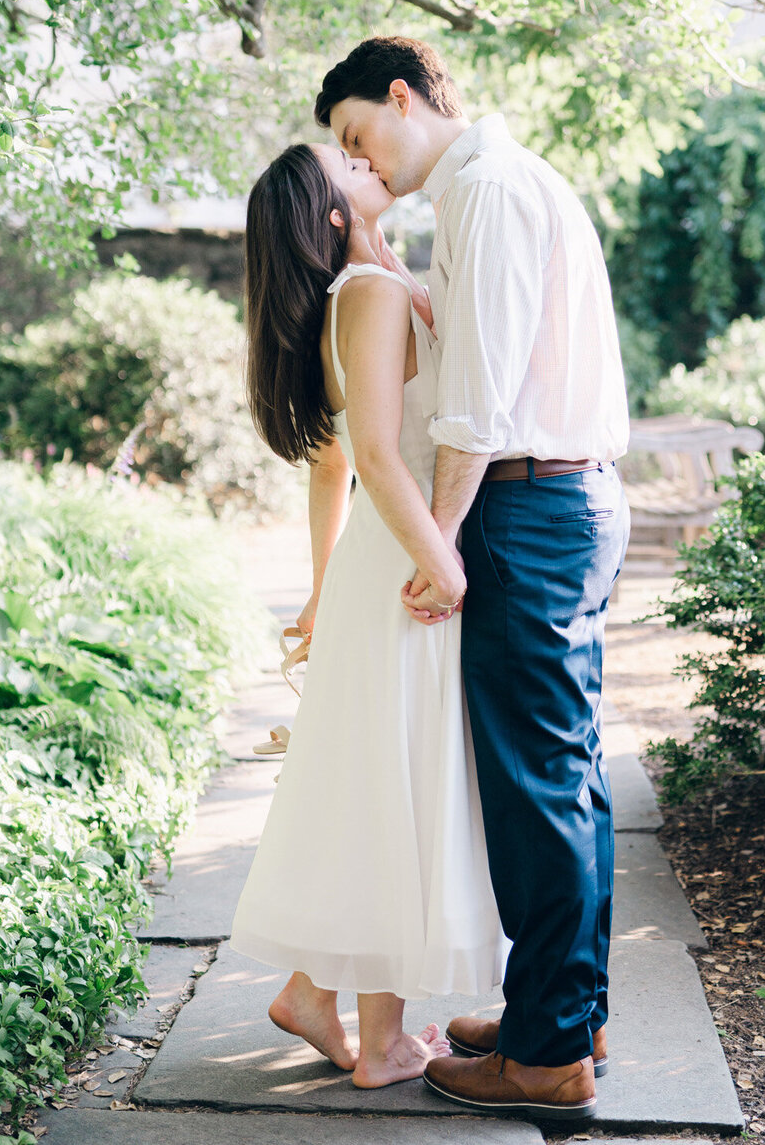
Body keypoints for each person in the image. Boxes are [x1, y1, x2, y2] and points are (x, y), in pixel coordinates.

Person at [316, 35, 631, 1125]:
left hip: (528, 508)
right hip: (572, 498)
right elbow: (472, 336)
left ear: (403, 97)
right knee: (570, 776)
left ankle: (549, 1054)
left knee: (536, 789)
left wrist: (439, 547)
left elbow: (477, 406)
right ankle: (564, 1011)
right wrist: (383, 257)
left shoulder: (487, 193)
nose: (364, 160)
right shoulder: (508, 183)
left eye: (361, 134)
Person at [228, 140, 506, 1089]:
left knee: (388, 783)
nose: (365, 158)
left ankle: (329, 1000)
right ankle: (367, 1031)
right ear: (335, 213)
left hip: (377, 562)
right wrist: (445, 565)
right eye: (341, 163)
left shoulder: (360, 296)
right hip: (407, 563)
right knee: (402, 782)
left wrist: (319, 586)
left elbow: (332, 462)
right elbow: (379, 456)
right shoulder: (373, 296)